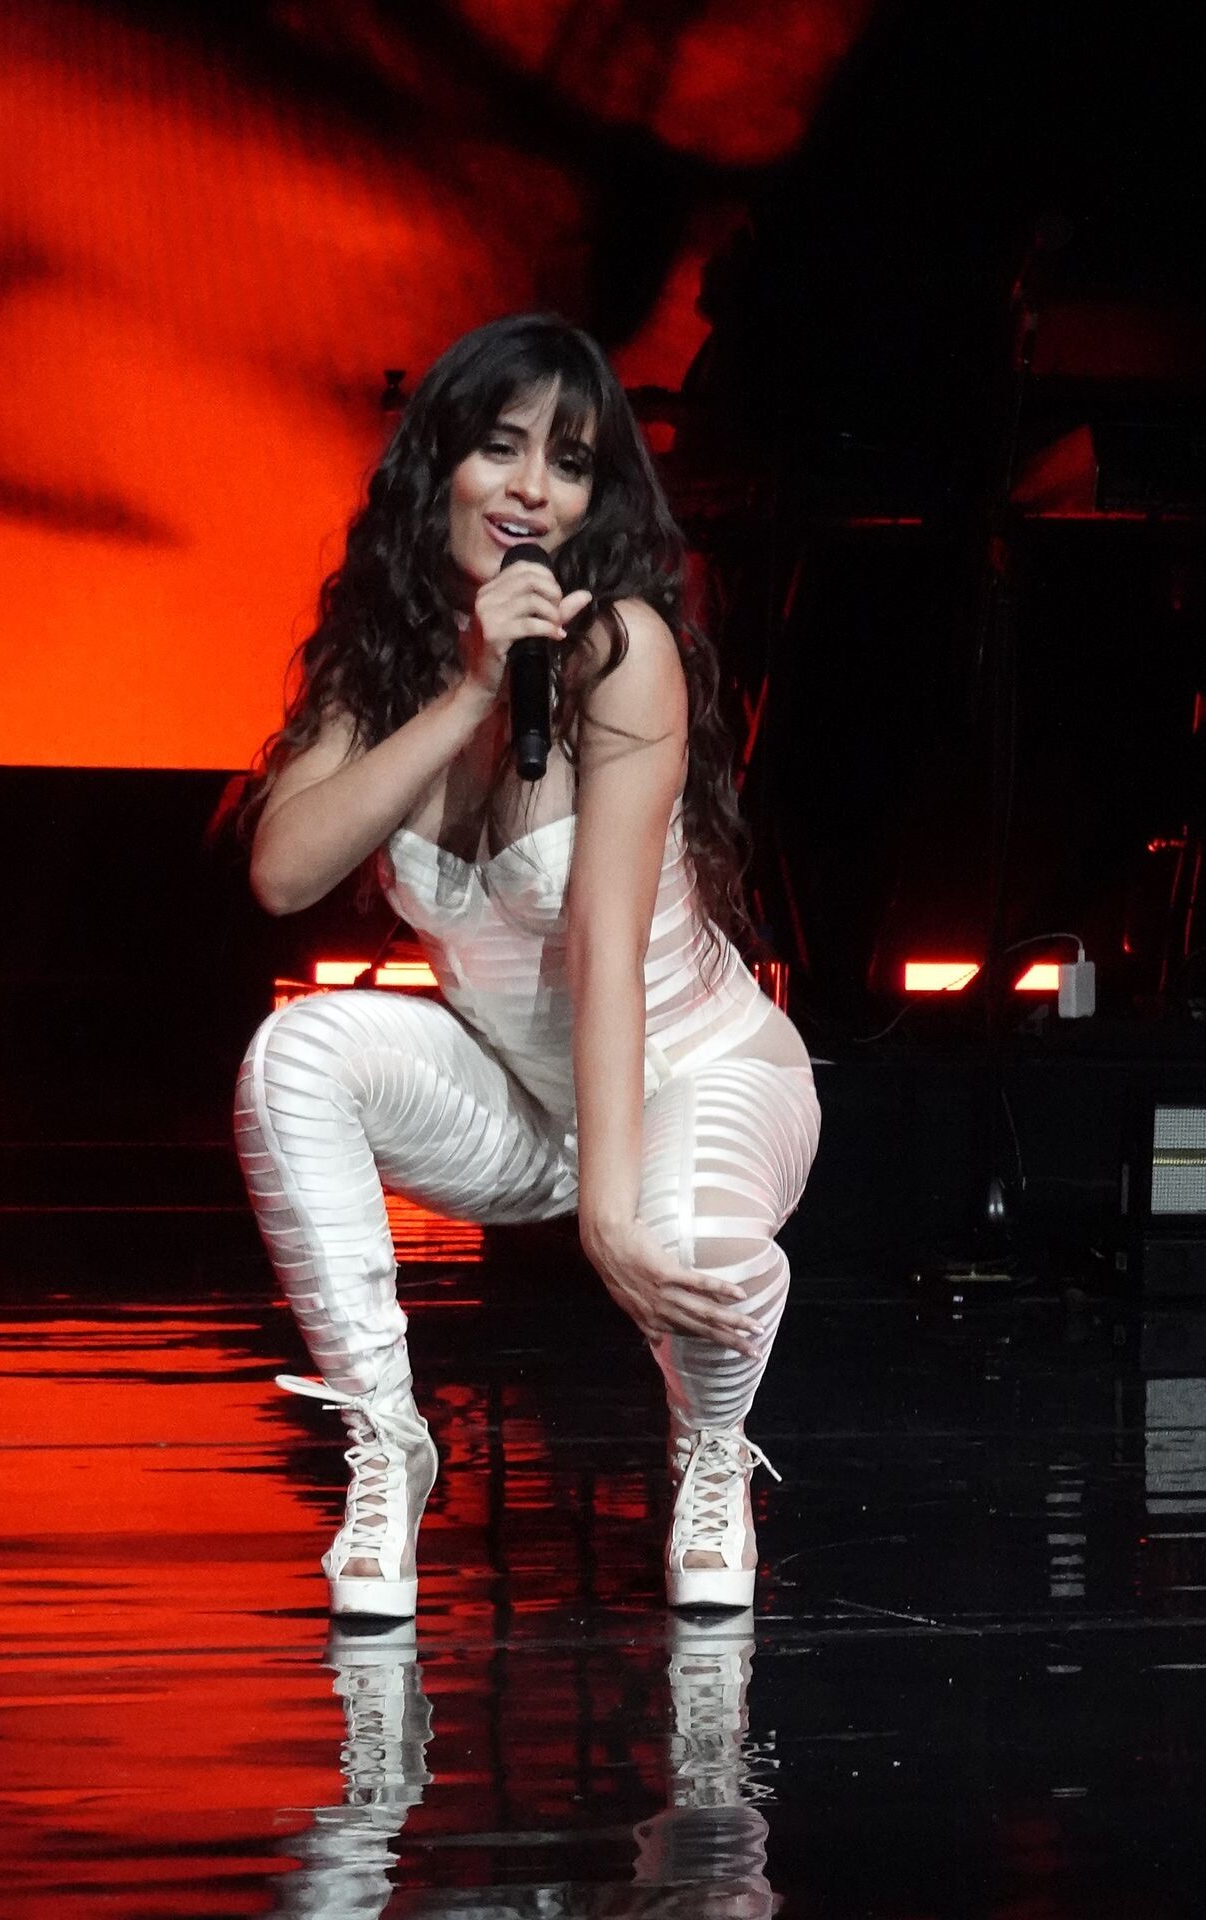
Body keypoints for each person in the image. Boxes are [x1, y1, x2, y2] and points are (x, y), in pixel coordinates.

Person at [233, 312, 821, 1617]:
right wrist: (465, 690)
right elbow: (283, 872)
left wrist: (609, 1215)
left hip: (698, 1072)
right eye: (500, 447)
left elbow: (603, 939)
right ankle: (387, 1444)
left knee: (683, 1236)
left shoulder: (622, 652)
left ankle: (712, 1449)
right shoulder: (386, 663)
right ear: (437, 463)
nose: (530, 489)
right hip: (530, 1100)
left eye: (568, 462)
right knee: (295, 1055)